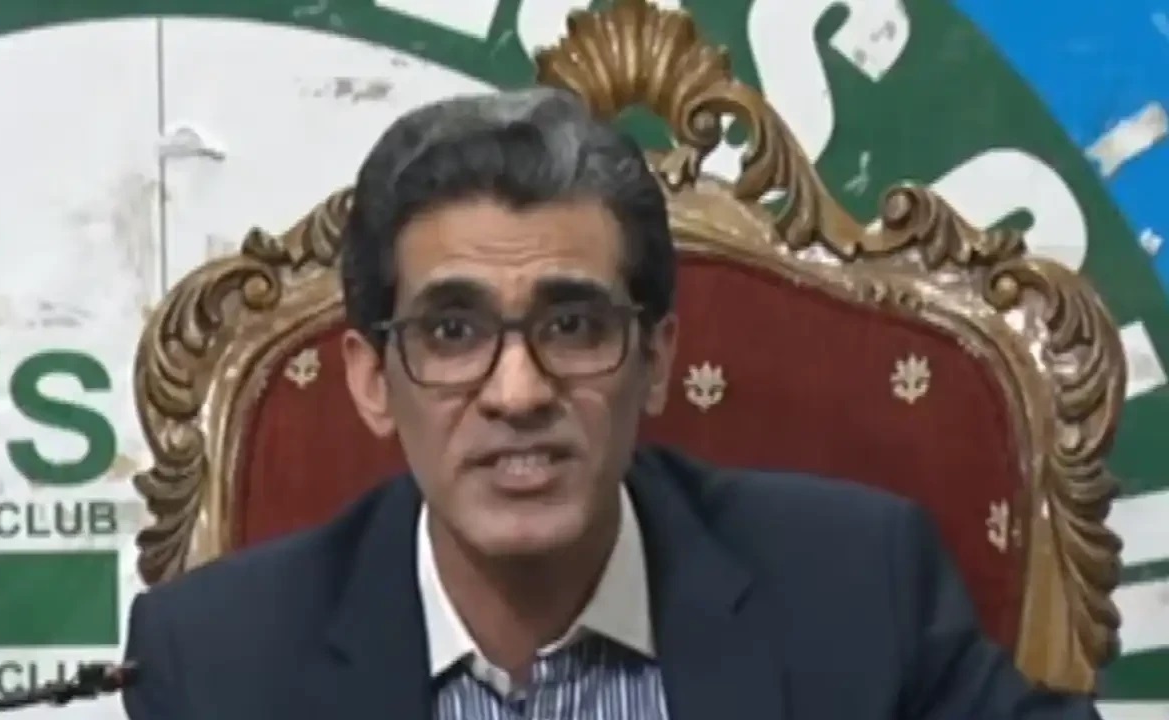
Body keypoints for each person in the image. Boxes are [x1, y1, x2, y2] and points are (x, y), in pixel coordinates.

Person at [121, 87, 1103, 720]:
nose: (517, 393)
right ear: (373, 380)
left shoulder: (855, 589)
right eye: (453, 331)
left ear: (657, 359)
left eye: (573, 325)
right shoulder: (219, 664)